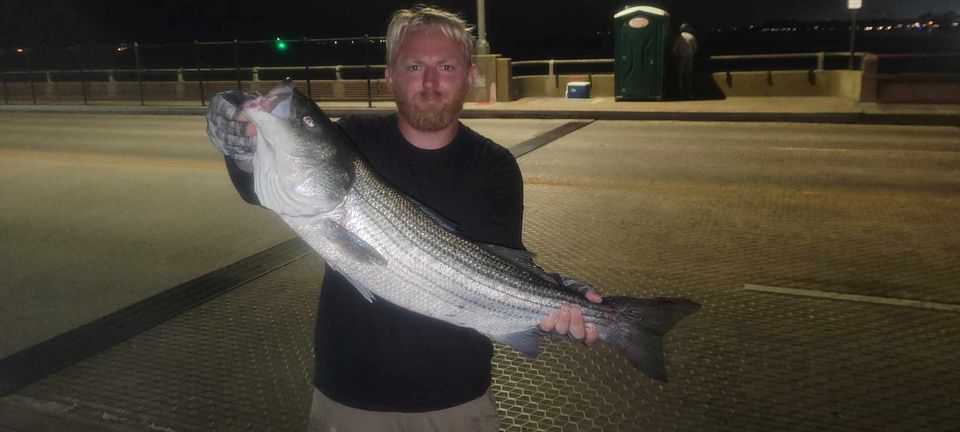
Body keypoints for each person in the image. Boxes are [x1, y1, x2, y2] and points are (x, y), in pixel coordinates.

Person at [206, 6, 601, 432]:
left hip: (457, 401)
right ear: (390, 76)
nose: (430, 82)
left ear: (470, 76)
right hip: (349, 398)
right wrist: (241, 147)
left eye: (446, 67)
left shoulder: (495, 166)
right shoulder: (353, 139)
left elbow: (500, 267)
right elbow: (260, 183)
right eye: (414, 67)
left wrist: (559, 298)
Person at [672, 23, 697, 99]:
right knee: (688, 76)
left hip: (680, 58)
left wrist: (675, 55)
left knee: (679, 77)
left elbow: (674, 49)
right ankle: (689, 94)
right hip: (689, 58)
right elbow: (695, 48)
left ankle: (681, 94)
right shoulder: (692, 37)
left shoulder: (679, 37)